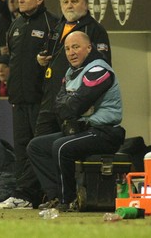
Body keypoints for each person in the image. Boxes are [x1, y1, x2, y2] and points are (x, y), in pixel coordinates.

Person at [27, 31, 125, 211]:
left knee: (61, 147)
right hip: (82, 129)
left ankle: (68, 200)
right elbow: (60, 106)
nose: (71, 52)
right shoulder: (71, 72)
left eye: (76, 47)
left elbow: (75, 106)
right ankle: (56, 195)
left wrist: (72, 105)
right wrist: (73, 106)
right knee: (36, 147)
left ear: (89, 48)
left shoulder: (98, 70)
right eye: (67, 48)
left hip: (104, 132)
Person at [0, 0, 58, 209]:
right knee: (21, 149)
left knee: (39, 148)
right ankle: (24, 195)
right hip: (18, 99)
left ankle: (50, 194)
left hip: (41, 100)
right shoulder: (15, 25)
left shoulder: (52, 24)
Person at [35, 0, 111, 137]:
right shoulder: (57, 28)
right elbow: (47, 55)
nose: (69, 6)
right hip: (50, 102)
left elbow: (103, 67)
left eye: (74, 1)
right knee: (38, 146)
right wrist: (40, 59)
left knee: (65, 151)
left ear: (86, 4)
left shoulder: (95, 30)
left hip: (74, 105)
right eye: (65, 2)